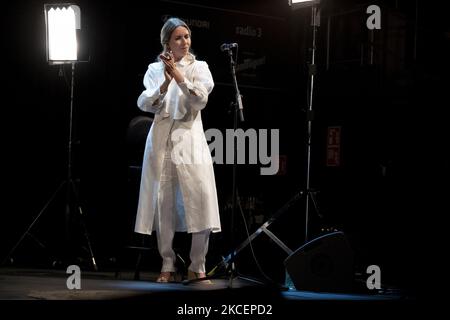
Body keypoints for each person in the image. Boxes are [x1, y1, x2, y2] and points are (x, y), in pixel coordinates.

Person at [134, 17, 221, 283]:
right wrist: (165, 81)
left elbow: (200, 100)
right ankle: (168, 264)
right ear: (167, 43)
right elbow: (145, 103)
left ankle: (198, 264)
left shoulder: (200, 67)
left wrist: (180, 77)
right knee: (164, 204)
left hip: (190, 139)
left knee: (201, 200)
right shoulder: (153, 69)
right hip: (162, 142)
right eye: (178, 38)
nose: (185, 42)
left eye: (187, 37)